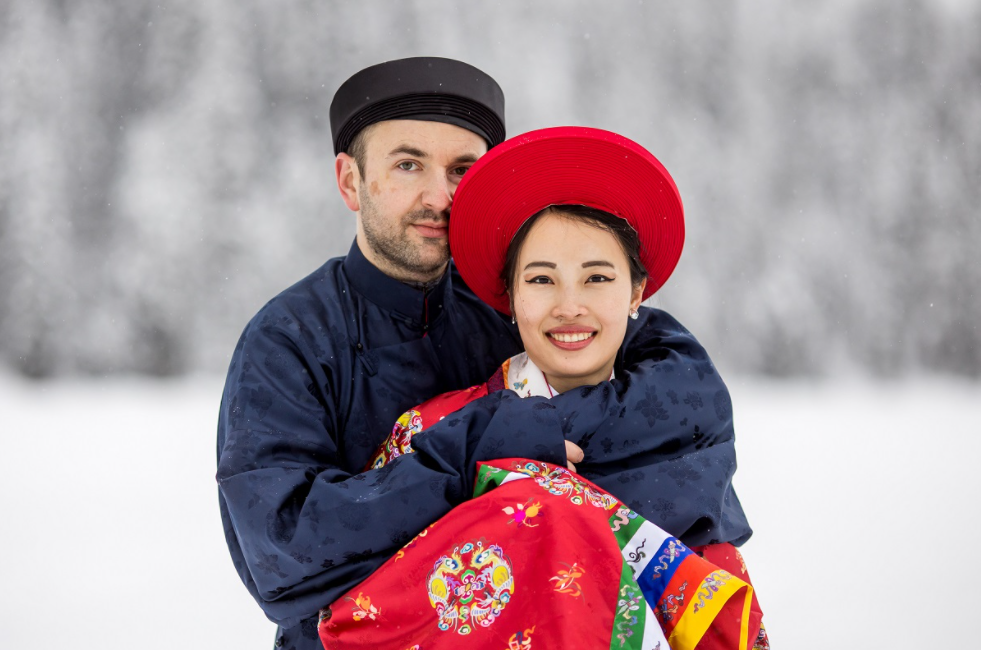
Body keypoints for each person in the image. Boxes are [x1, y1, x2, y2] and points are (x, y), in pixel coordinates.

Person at [216, 58, 751, 650]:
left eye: (461, 169)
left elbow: (686, 405)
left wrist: (540, 440)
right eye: (408, 164)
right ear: (349, 181)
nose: (438, 196)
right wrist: (468, 456)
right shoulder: (288, 341)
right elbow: (283, 556)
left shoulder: (517, 301)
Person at [319, 127, 767, 649]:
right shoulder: (434, 431)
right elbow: (358, 612)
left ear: (636, 291)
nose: (569, 305)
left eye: (597, 278)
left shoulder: (683, 438)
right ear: (509, 296)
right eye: (541, 279)